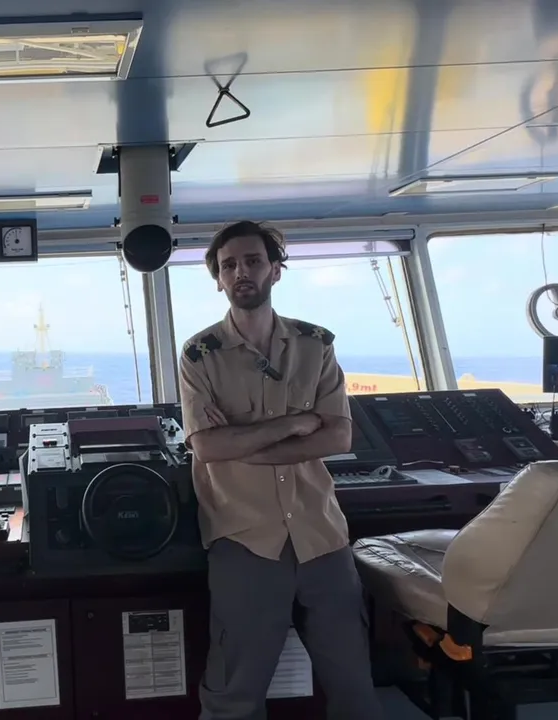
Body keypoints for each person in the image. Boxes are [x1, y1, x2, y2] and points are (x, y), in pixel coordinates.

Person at [179, 220, 382, 720]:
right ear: (218, 279)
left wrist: (244, 444)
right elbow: (207, 446)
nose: (241, 272)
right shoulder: (200, 355)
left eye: (252, 261)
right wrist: (295, 424)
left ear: (275, 270)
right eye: (228, 265)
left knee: (355, 686)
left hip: (321, 532)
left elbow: (338, 437)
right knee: (234, 693)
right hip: (244, 536)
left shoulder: (316, 345)